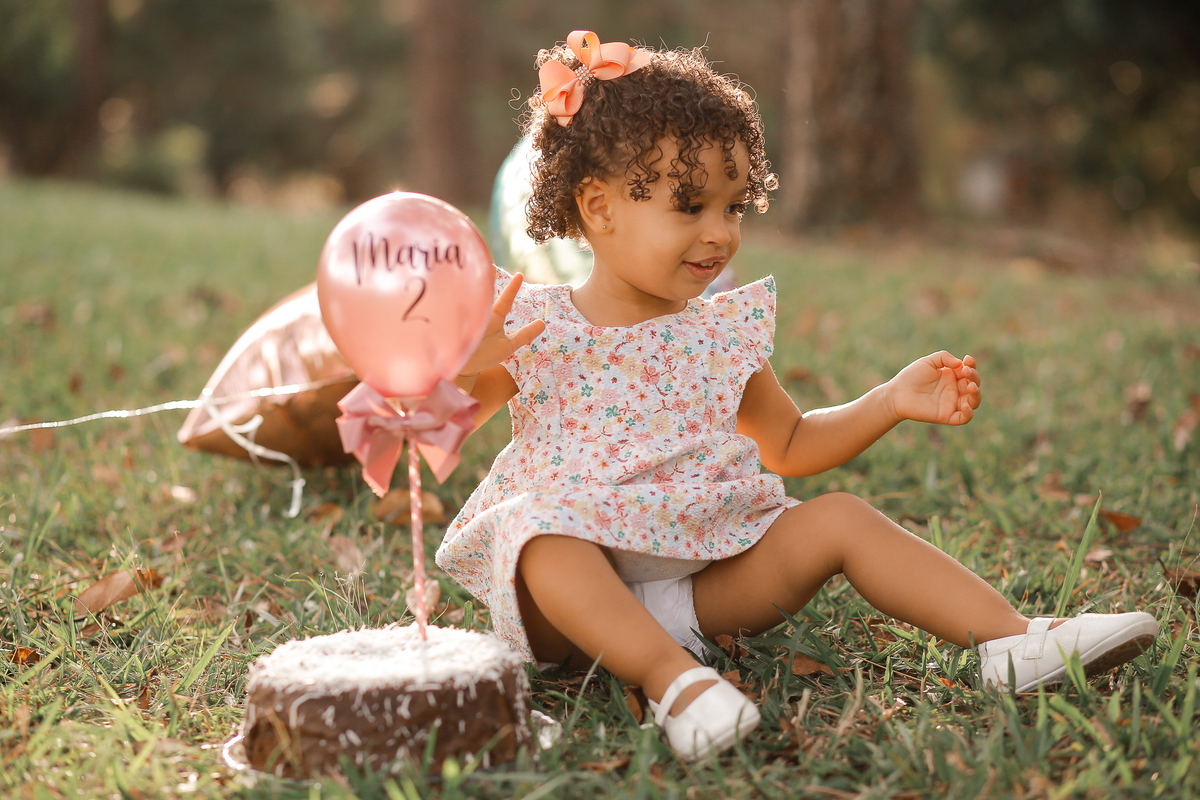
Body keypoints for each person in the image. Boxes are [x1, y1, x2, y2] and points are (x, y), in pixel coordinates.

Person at [435, 31, 1158, 760]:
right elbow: (432, 433)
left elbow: (789, 444)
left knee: (840, 518)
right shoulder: (535, 326)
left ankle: (1011, 641)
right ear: (598, 206)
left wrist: (888, 401)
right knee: (540, 533)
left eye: (734, 206)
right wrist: (465, 367)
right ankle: (677, 686)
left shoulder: (720, 335)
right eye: (690, 206)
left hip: (701, 590)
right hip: (572, 610)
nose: (720, 233)